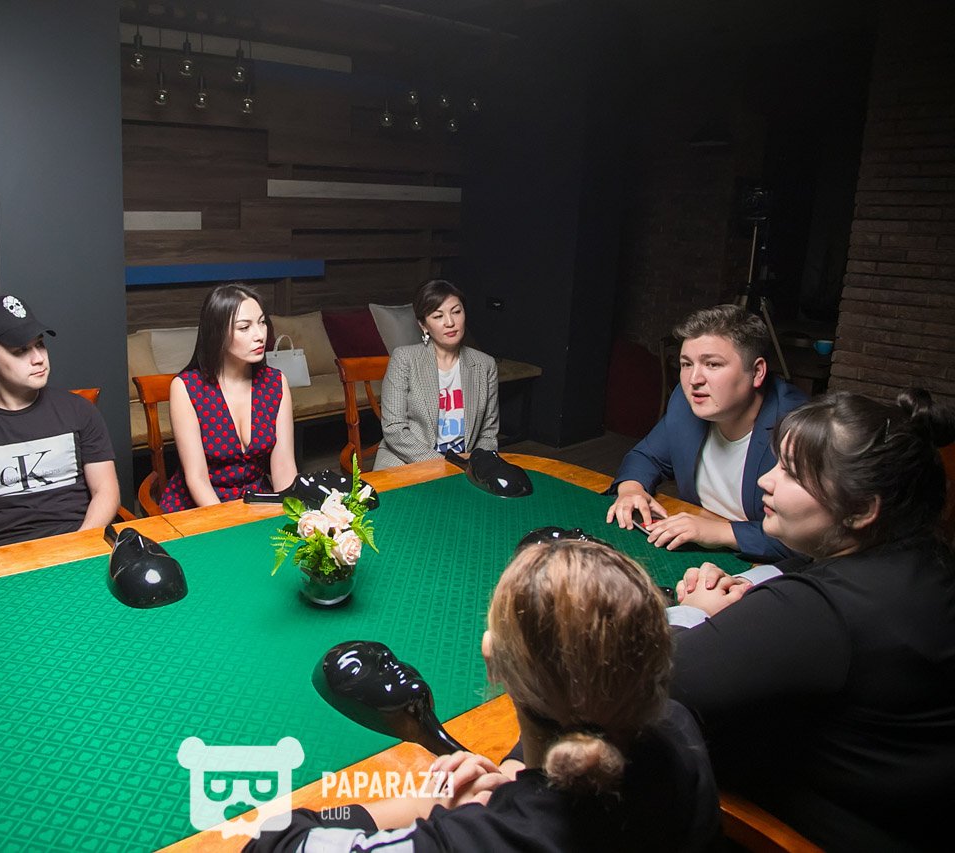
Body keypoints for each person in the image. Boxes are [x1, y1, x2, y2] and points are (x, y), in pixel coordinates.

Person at [246, 538, 719, 853]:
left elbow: (271, 841)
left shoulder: (480, 839)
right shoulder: (677, 725)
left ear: (493, 660)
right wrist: (513, 774)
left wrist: (427, 806)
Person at [670, 389, 955, 852]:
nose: (765, 480)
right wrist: (749, 595)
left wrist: (696, 612)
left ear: (861, 509)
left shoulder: (826, 609)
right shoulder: (923, 556)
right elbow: (804, 577)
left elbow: (651, 679)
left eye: (791, 472)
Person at [606, 304, 807, 560]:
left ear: (757, 372)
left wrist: (720, 532)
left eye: (712, 364)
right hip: (699, 549)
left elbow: (807, 539)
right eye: (686, 364)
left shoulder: (797, 427)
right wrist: (632, 490)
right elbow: (646, 457)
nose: (694, 380)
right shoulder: (688, 402)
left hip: (764, 564)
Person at [0, 295, 120, 552]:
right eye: (20, 351)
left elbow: (106, 491)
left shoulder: (80, 411)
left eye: (40, 345)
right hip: (0, 556)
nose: (38, 358)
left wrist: (80, 545)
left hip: (78, 545)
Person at [159, 284, 297, 511]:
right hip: (201, 507)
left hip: (257, 503)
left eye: (262, 322)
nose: (260, 335)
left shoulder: (275, 382)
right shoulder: (186, 388)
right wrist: (230, 523)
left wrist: (288, 515)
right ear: (218, 332)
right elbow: (197, 479)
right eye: (245, 327)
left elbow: (284, 467)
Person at [375, 280, 499, 470]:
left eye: (456, 312)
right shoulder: (405, 359)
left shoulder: (485, 365)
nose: (450, 322)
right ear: (423, 325)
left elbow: (488, 434)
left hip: (463, 462)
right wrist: (442, 465)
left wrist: (476, 466)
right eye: (438, 316)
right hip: (407, 459)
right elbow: (394, 428)